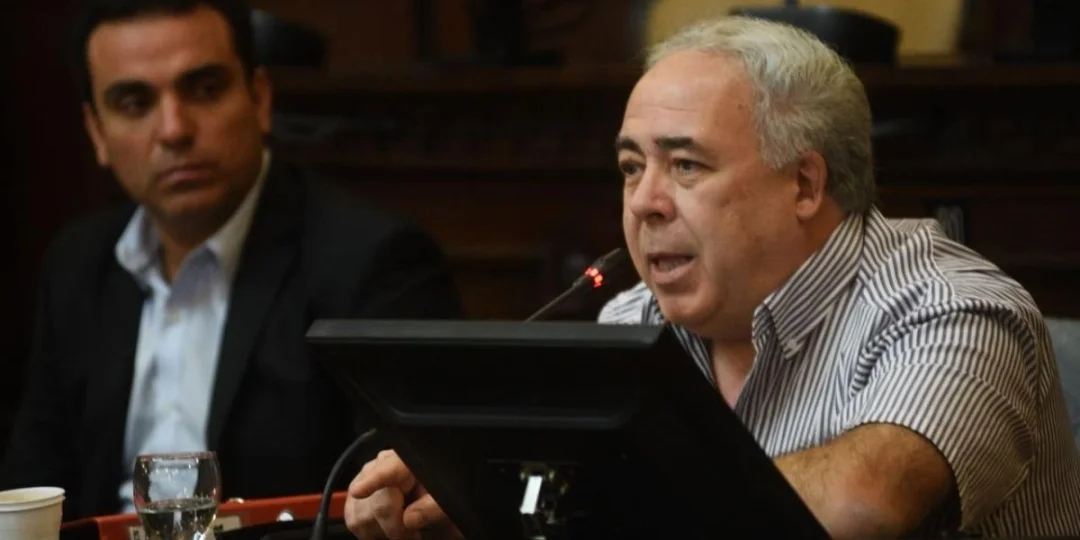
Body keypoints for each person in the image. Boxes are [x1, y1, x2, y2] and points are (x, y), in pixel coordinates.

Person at [342, 16, 1080, 539]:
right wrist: (475, 501)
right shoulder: (632, 322)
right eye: (631, 167)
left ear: (804, 185)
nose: (644, 202)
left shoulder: (955, 310)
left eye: (686, 165)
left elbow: (862, 506)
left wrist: (572, 493)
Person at [0, 0, 462, 521]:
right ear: (96, 132)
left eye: (204, 89)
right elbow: (29, 487)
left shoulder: (373, 262)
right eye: (134, 103)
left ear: (259, 98)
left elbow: (404, 492)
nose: (174, 129)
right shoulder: (77, 264)